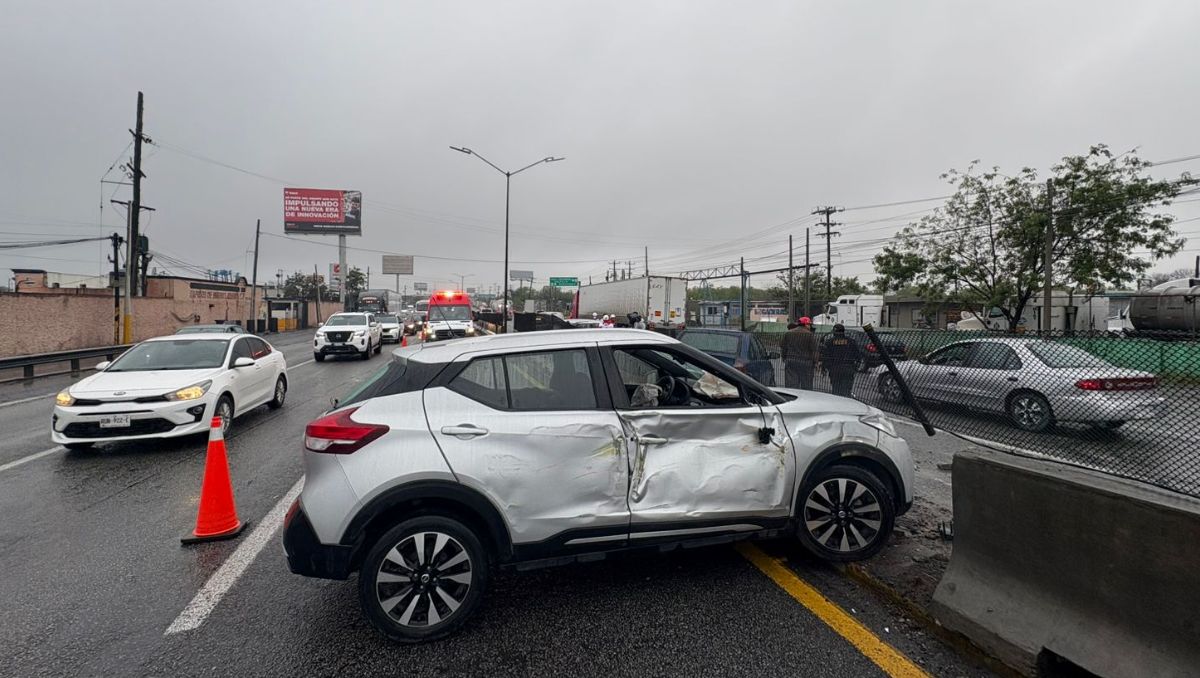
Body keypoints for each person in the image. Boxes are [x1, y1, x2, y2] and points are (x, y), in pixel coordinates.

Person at [821, 323, 862, 398]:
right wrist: (855, 367)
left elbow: (825, 357)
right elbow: (858, 356)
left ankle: (837, 406)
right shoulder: (851, 341)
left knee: (836, 389)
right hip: (848, 368)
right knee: (846, 390)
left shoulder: (829, 342)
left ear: (834, 332)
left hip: (835, 369)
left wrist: (825, 367)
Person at [780, 316, 820, 390]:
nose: (810, 326)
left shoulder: (788, 333)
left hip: (791, 361)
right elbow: (814, 350)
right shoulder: (810, 335)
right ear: (805, 324)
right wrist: (816, 363)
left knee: (791, 385)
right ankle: (805, 399)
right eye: (809, 325)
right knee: (806, 385)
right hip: (806, 363)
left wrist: (784, 357)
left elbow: (783, 347)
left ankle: (793, 399)